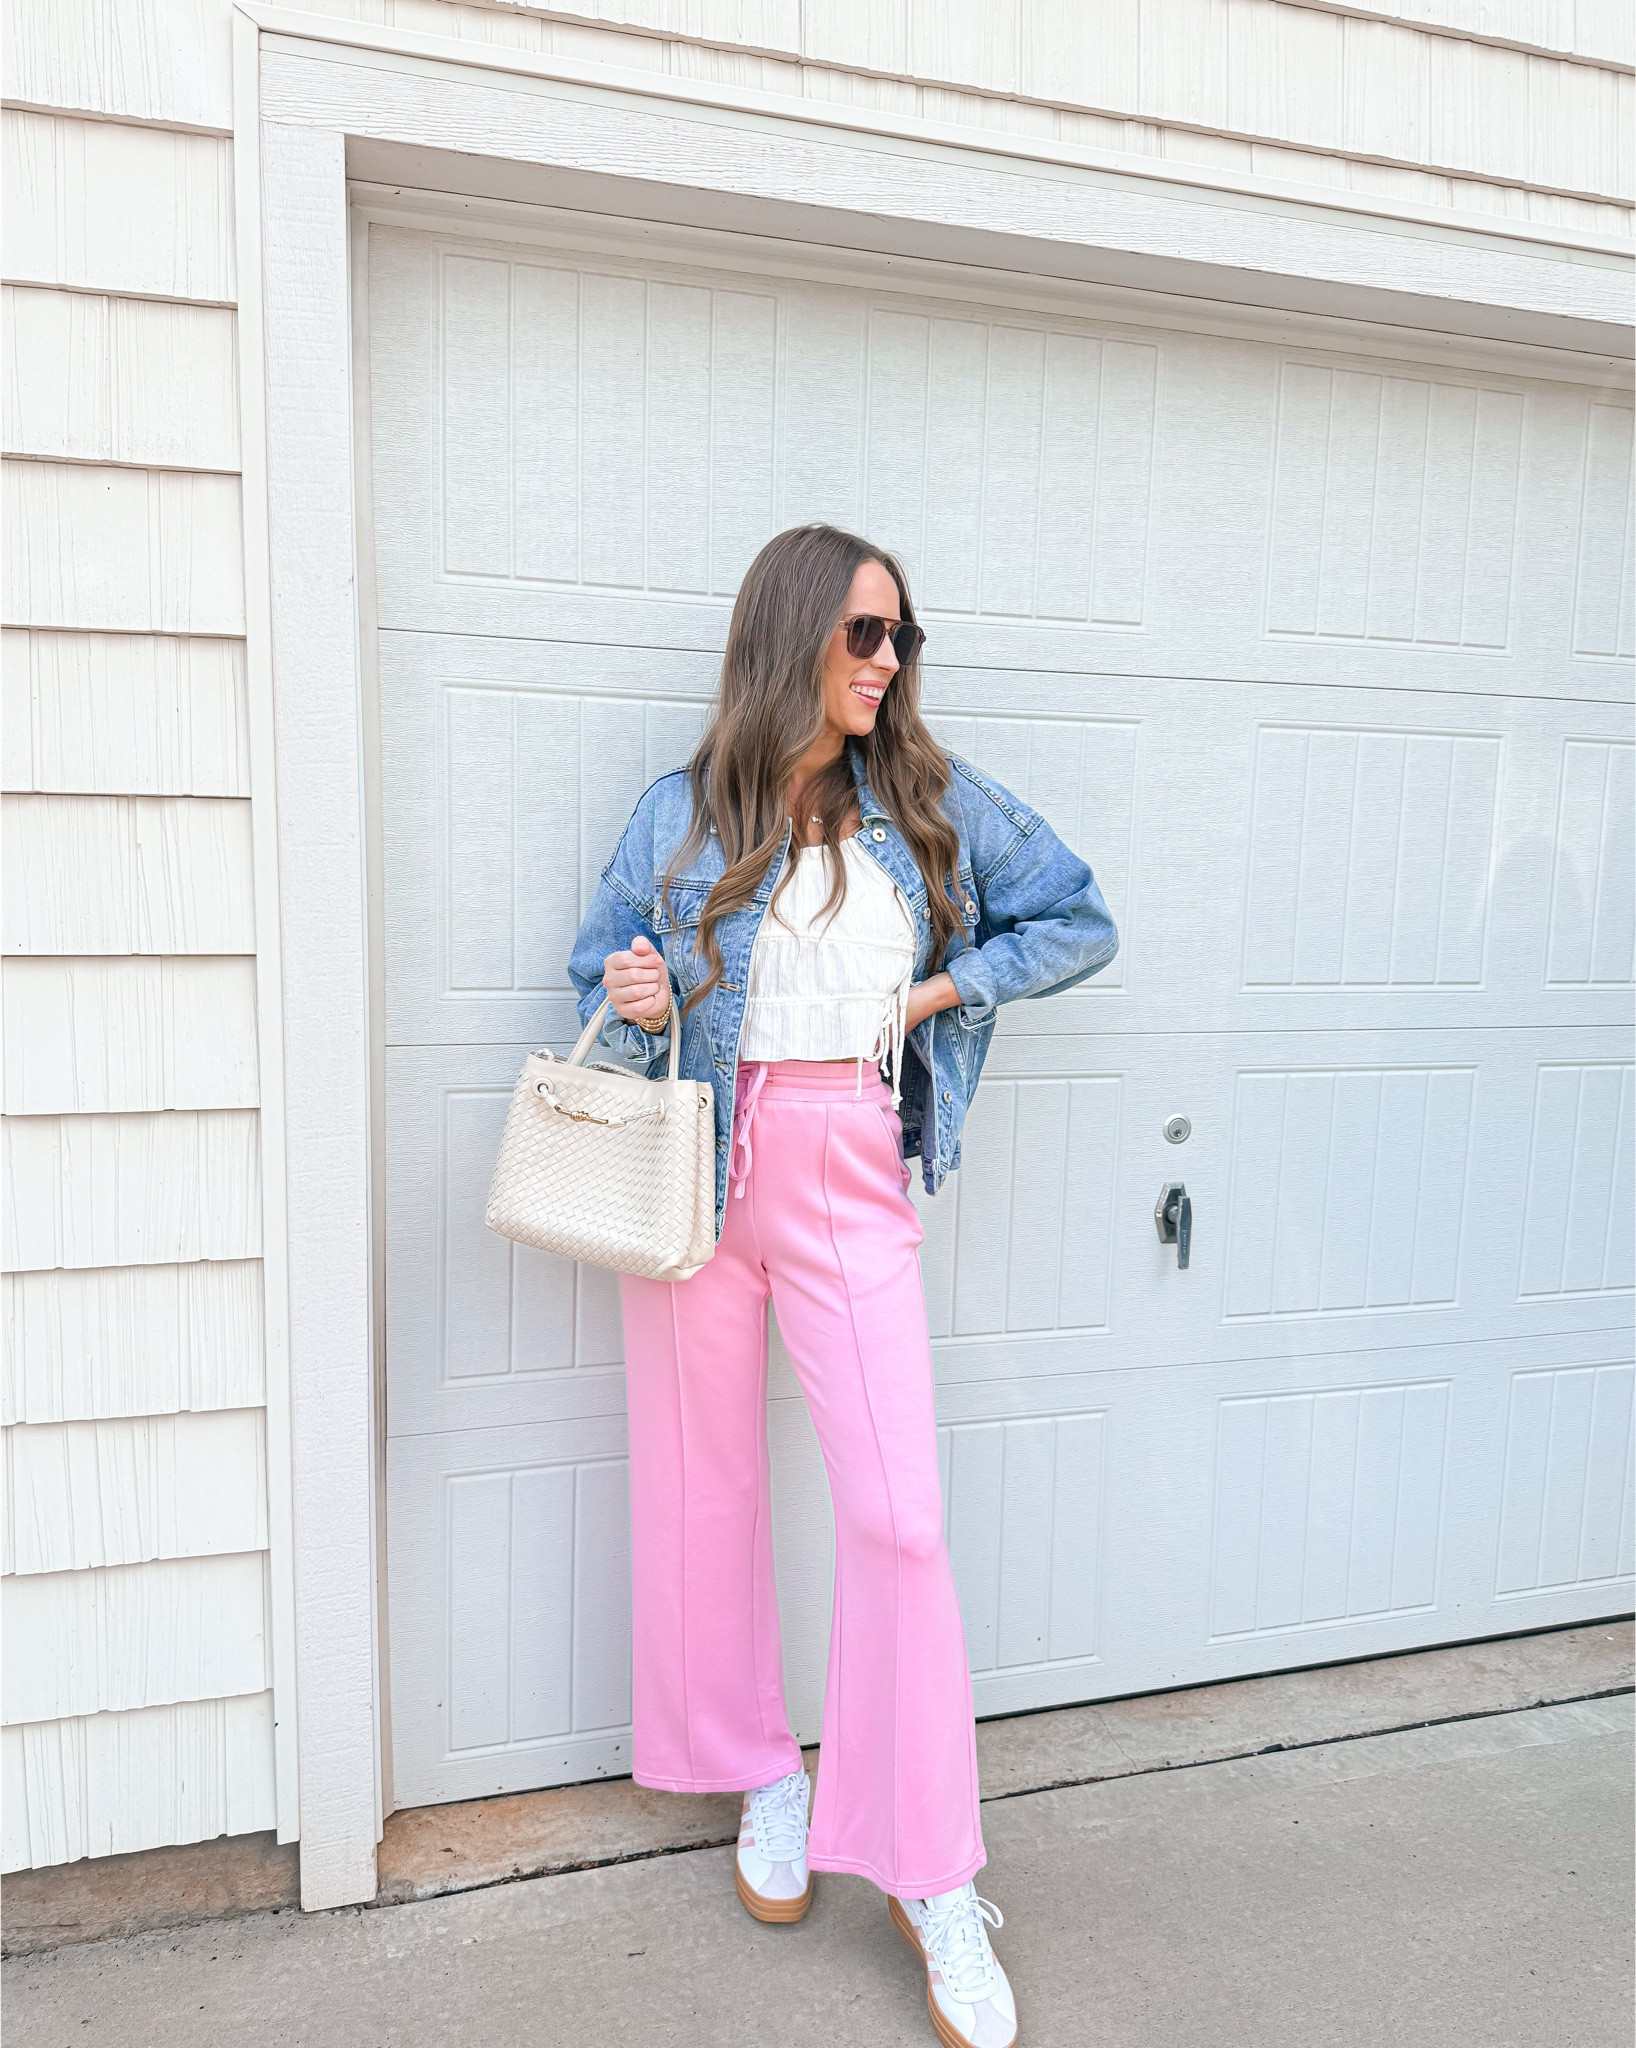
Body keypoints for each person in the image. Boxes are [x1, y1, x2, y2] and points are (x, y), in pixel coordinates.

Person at [568, 523, 1119, 2048]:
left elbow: (1077, 915)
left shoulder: (928, 804)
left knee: (900, 1515)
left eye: (900, 639)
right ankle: (765, 1773)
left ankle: (929, 1870)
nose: (886, 662)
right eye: (863, 635)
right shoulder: (683, 812)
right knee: (704, 1489)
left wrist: (945, 987)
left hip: (849, 1164)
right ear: (793, 634)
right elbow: (598, 964)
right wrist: (638, 979)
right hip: (702, 1159)